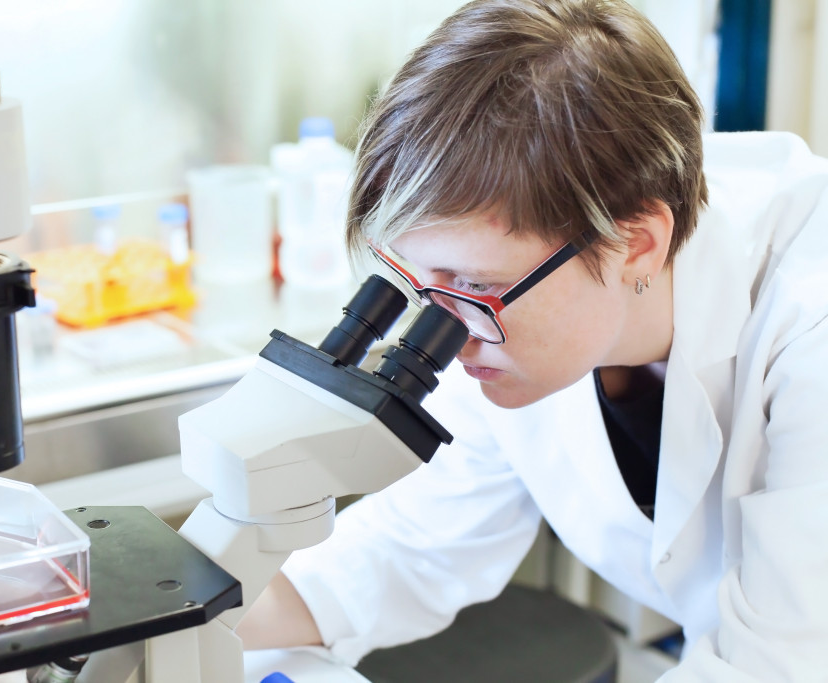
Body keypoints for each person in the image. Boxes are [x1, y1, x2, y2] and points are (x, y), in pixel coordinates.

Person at [236, 0, 828, 679]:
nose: (448, 340)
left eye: (473, 288)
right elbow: (414, 544)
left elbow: (779, 662)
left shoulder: (811, 325)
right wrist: (183, 607)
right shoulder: (535, 303)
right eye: (421, 285)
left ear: (636, 243)